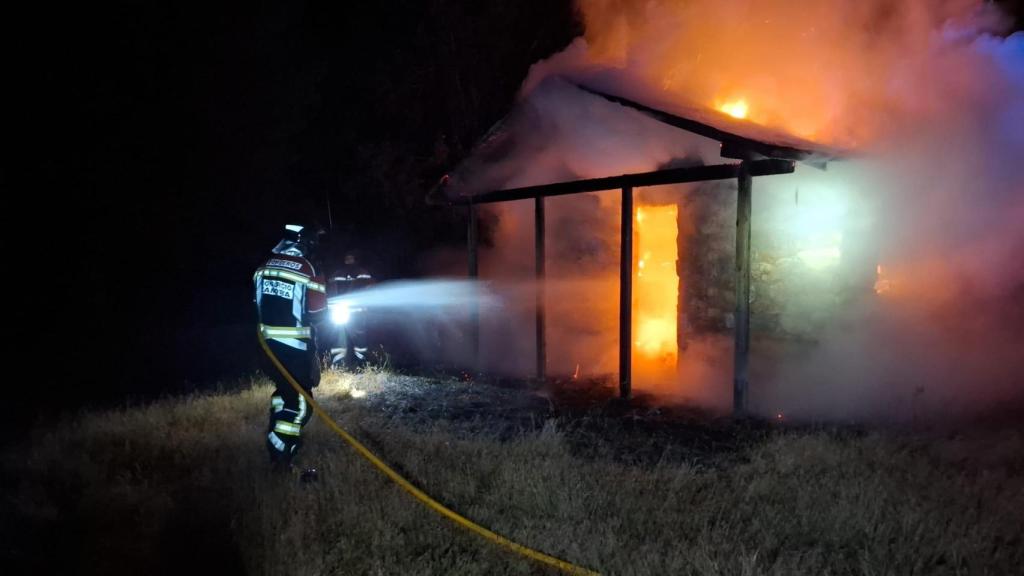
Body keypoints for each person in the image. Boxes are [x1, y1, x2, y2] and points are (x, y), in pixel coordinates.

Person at [253, 224, 327, 470]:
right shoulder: (309, 268)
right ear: (303, 243)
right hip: (294, 347)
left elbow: (260, 303)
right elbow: (317, 312)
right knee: (301, 405)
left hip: (266, 346)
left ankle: (279, 434)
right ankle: (280, 452)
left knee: (283, 394)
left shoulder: (263, 266)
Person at [327, 250, 374, 368]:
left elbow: (369, 291)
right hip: (340, 311)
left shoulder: (363, 273)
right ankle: (338, 365)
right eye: (347, 258)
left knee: (360, 341)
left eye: (351, 258)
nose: (348, 261)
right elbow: (330, 291)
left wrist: (366, 307)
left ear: (356, 259)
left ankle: (363, 365)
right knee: (338, 339)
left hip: (357, 313)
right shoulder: (337, 274)